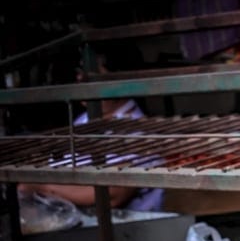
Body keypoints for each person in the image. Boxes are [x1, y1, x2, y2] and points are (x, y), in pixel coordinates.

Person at [16, 44, 164, 214]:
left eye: (92, 73)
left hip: (123, 224)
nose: (80, 78)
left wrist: (43, 187)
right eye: (80, 71)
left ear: (120, 80)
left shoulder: (134, 130)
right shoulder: (87, 118)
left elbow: (113, 194)